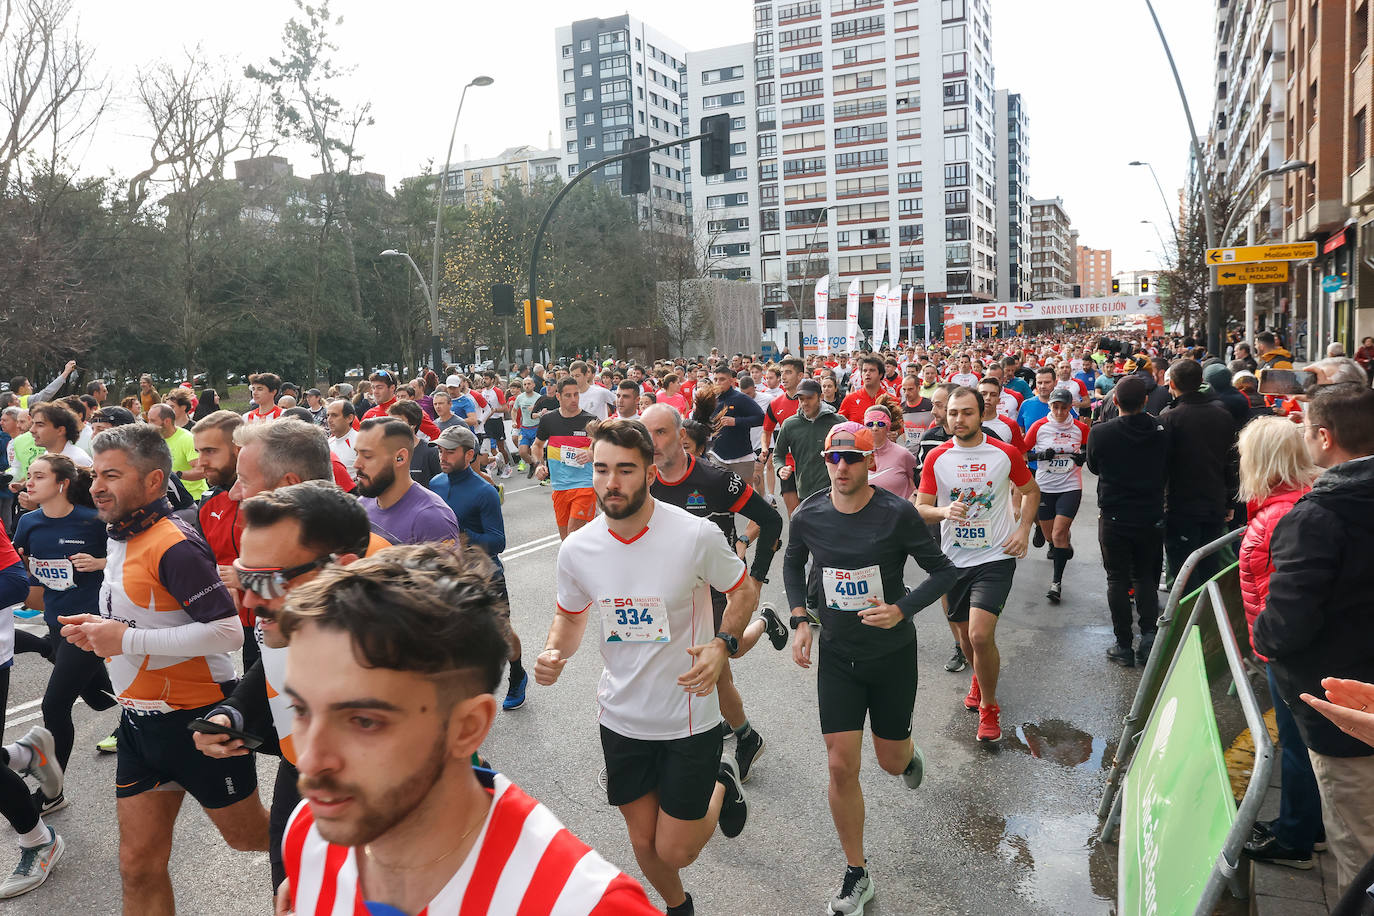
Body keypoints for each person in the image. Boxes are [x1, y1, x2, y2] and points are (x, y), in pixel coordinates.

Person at [278, 544, 659, 915]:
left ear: (467, 728)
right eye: (301, 709)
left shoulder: (583, 904)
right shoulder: (309, 830)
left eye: (364, 721)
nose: (310, 760)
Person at [535, 419, 755, 916]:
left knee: (677, 848)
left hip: (688, 716)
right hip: (621, 716)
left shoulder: (695, 535)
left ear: (651, 474)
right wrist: (554, 652)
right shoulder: (578, 548)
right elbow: (569, 617)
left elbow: (742, 590)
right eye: (602, 469)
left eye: (626, 470)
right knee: (643, 842)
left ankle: (722, 780)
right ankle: (679, 908)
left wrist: (722, 642)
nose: (611, 482)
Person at [60, 423, 268, 915]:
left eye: (112, 474)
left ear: (154, 482)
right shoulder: (118, 535)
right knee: (137, 865)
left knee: (250, 839)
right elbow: (144, 615)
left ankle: (350, 856)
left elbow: (228, 633)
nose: (97, 487)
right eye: (95, 473)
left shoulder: (174, 542)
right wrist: (100, 629)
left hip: (198, 722)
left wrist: (125, 638)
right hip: (137, 725)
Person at [784, 421, 956, 916]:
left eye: (852, 458)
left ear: (869, 461)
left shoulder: (897, 514)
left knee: (889, 761)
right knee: (840, 765)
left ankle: (906, 757)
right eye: (834, 458)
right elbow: (793, 567)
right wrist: (800, 619)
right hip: (838, 655)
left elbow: (943, 570)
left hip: (891, 656)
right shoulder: (810, 515)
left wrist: (901, 609)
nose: (841, 467)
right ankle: (857, 872)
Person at [192, 481, 373, 892]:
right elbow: (269, 665)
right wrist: (234, 709)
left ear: (339, 569)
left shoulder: (405, 669)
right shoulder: (290, 615)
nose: (250, 602)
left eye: (266, 581)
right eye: (243, 578)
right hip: (299, 777)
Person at [1254, 383, 1374, 893]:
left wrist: (1260, 630)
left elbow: (1285, 624)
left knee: (1358, 848)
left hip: (1342, 711)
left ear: (1324, 438)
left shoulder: (1316, 517)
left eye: (1305, 428)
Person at [642, 404, 786, 781]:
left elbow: (770, 519)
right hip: (667, 593)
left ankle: (745, 735)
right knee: (715, 663)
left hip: (717, 589)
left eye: (661, 433)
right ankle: (766, 623)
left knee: (716, 666)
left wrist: (754, 579)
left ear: (681, 437)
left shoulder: (715, 480)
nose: (653, 443)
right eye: (647, 435)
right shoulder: (641, 480)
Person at [916, 387, 1039, 744]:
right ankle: (977, 675)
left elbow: (1031, 491)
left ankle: (988, 708)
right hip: (952, 560)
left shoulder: (1005, 453)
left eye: (967, 412)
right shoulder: (937, 457)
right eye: (953, 413)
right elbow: (921, 507)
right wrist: (943, 511)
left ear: (981, 413)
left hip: (995, 557)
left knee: (980, 634)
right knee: (966, 639)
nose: (959, 419)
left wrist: (1024, 529)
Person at [1232, 418, 1324, 871]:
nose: (1241, 462)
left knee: (1297, 743)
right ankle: (1308, 826)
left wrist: (1268, 642)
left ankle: (1296, 837)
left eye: (1246, 453)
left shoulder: (1285, 512)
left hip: (1288, 651)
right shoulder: (1289, 503)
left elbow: (1287, 591)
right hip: (1285, 645)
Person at [12, 454, 116, 812]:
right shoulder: (28, 522)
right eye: (29, 475)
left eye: (39, 476)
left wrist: (101, 563)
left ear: (62, 484)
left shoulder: (93, 522)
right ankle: (159, 713)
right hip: (56, 620)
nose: (30, 481)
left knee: (54, 705)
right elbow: (23, 569)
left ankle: (52, 793)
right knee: (102, 697)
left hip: (90, 623)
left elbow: (128, 559)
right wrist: (25, 569)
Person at [429, 425, 529, 712]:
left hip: (485, 574)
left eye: (450, 451)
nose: (442, 455)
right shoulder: (435, 483)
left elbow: (498, 541)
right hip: (449, 573)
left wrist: (460, 535)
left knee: (500, 631)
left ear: (469, 454)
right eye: (440, 450)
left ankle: (518, 674)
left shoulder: (484, 491)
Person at [1085, 377, 1168, 666]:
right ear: (1145, 401)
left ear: (1115, 402)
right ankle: (1148, 636)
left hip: (1114, 515)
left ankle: (1123, 644)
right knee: (1146, 577)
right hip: (1150, 513)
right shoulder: (1162, 429)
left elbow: (1093, 466)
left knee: (1117, 579)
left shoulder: (1101, 433)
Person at [1161, 359, 1238, 587]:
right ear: (1201, 382)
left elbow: (1163, 464)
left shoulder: (1169, 418)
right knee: (1208, 567)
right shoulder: (1222, 415)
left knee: (1182, 569)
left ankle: (1185, 620)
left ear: (1172, 384)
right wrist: (1230, 500)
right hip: (1213, 501)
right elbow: (1230, 461)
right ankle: (1203, 618)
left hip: (1180, 505)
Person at [1023, 388, 1089, 604]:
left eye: (1064, 407)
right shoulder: (1039, 426)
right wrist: (1040, 455)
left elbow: (1091, 450)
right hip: (1044, 487)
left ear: (1070, 407)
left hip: (1070, 486)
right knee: (1051, 536)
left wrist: (1083, 458)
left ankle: (1056, 583)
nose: (1060, 411)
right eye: (1055, 407)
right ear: (1050, 406)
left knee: (1059, 534)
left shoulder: (1079, 427)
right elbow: (1022, 453)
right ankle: (1062, 544)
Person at [352, 417, 460, 547]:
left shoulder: (432, 518)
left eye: (367, 456)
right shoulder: (361, 506)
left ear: (400, 458)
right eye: (356, 454)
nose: (356, 464)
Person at [532, 377, 599, 539]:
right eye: (568, 395)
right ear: (558, 397)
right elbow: (537, 446)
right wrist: (539, 465)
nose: (574, 399)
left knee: (574, 535)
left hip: (585, 486)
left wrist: (591, 454)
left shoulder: (590, 421)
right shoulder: (549, 420)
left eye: (576, 394)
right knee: (566, 540)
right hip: (560, 487)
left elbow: (605, 449)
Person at [772, 378, 843, 504]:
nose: (804, 403)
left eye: (809, 398)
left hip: (834, 491)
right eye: (801, 399)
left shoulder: (838, 422)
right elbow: (778, 455)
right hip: (805, 493)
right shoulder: (790, 424)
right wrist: (780, 468)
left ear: (820, 397)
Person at [146, 404, 207, 502]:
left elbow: (202, 471)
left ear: (167, 421)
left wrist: (175, 475)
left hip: (193, 499)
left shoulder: (186, 439)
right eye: (148, 420)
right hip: (168, 499)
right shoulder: (154, 440)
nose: (149, 424)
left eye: (153, 421)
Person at [863, 404, 917, 500]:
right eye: (870, 424)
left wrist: (914, 499)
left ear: (888, 426)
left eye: (880, 424)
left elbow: (921, 482)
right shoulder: (859, 456)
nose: (874, 428)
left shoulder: (903, 454)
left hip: (900, 513)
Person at [386, 399, 442, 488]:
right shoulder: (385, 452)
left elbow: (441, 486)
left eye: (398, 422)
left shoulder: (430, 452)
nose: (392, 426)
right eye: (390, 422)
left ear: (413, 424)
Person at [512, 376, 543, 475]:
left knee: (537, 453)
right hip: (524, 428)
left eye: (529, 384)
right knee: (522, 452)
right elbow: (514, 410)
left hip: (536, 428)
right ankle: (532, 464)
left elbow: (544, 411)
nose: (527, 386)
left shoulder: (538, 397)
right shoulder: (520, 397)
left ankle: (544, 475)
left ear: (533, 385)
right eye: (525, 384)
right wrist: (514, 421)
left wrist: (537, 412)